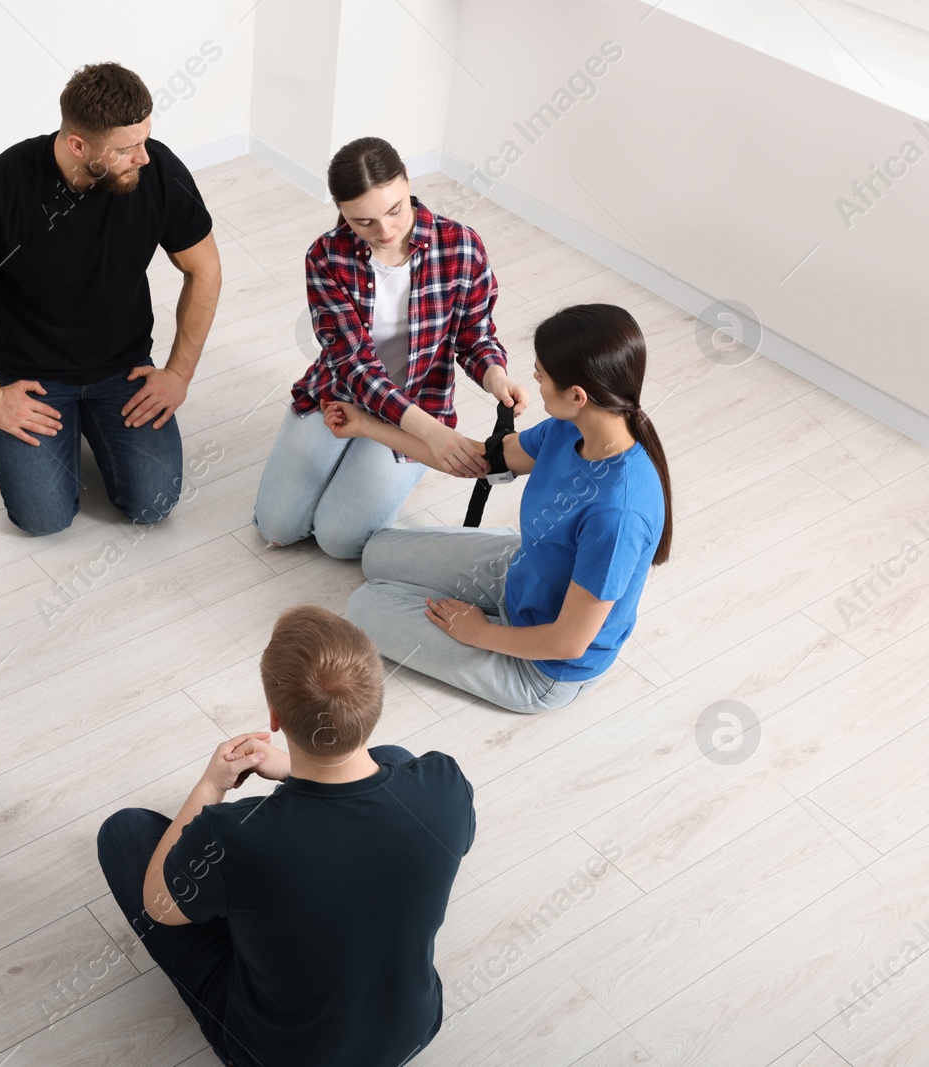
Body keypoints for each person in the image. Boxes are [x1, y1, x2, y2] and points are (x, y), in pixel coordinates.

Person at [97, 605, 475, 1066]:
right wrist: (297, 771)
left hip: (279, 1055)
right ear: (376, 701)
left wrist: (211, 785)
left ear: (275, 716)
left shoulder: (232, 837)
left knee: (124, 833)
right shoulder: (446, 785)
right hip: (412, 1030)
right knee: (394, 756)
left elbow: (160, 905)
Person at [0, 61, 222, 536]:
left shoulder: (157, 169)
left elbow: (204, 269)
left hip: (124, 369)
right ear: (78, 145)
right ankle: (65, 429)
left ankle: (97, 425)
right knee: (42, 519)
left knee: (153, 505)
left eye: (145, 139)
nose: (144, 157)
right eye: (127, 149)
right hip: (36, 381)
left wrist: (179, 373)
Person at [328, 303, 673, 712]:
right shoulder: (571, 427)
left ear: (577, 395)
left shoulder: (618, 515)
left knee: (365, 605)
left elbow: (569, 640)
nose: (535, 380)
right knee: (376, 552)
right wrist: (367, 425)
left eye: (542, 374)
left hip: (542, 668)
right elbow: (481, 460)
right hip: (521, 570)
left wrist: (477, 632)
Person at [253, 136, 527, 559]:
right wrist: (434, 435)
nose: (384, 231)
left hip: (418, 406)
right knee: (277, 527)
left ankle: (368, 458)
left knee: (339, 541)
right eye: (363, 221)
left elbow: (475, 335)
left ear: (407, 182)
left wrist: (496, 375)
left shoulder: (461, 245)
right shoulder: (326, 257)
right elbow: (354, 366)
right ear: (341, 210)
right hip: (343, 395)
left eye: (394, 209)